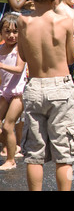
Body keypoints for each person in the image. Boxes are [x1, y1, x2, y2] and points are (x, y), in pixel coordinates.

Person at [17, 0, 74, 191]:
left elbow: (24, 56)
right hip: (61, 88)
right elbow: (70, 57)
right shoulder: (64, 22)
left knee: (34, 154)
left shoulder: (23, 23)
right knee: (65, 153)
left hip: (34, 86)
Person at [0, 13, 27, 171]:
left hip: (18, 92)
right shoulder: (0, 49)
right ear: (1, 33)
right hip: (4, 91)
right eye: (7, 31)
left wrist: (2, 66)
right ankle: (11, 146)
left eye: (15, 32)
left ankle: (11, 160)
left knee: (8, 125)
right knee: (4, 128)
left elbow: (18, 69)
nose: (11, 35)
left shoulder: (20, 49)